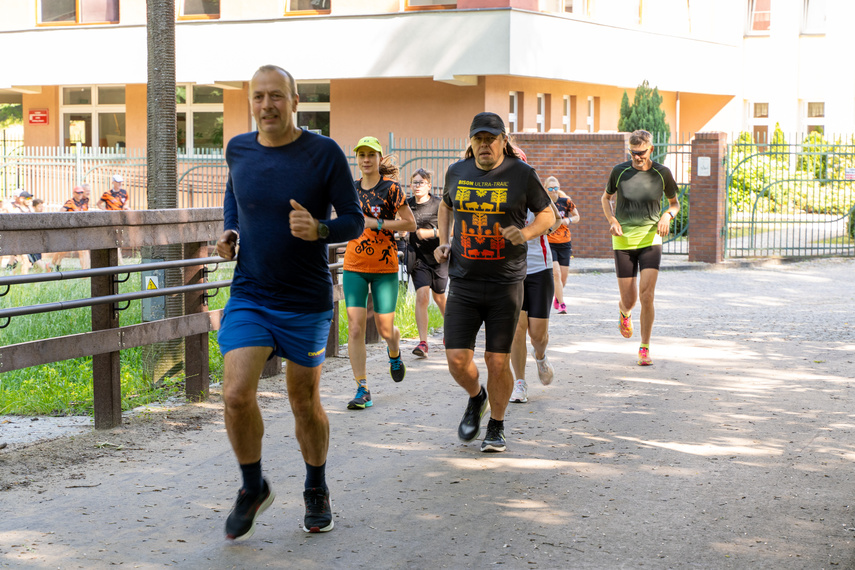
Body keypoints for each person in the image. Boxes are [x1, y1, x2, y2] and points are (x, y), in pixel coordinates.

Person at [215, 64, 363, 540]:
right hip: (251, 292)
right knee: (236, 393)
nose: (266, 105)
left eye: (276, 96)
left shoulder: (323, 154)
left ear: (295, 100)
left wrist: (320, 231)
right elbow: (234, 198)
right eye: (258, 97)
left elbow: (355, 221)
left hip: (305, 299)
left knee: (303, 401)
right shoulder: (237, 149)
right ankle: (252, 486)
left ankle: (316, 488)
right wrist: (231, 231)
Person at [435, 112, 554, 453]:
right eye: (478, 138)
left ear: (504, 139)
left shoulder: (521, 173)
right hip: (464, 281)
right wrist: (444, 240)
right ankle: (477, 396)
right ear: (471, 142)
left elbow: (549, 215)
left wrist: (527, 232)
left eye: (491, 138)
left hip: (505, 284)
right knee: (457, 359)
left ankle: (497, 426)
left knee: (497, 361)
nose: (484, 144)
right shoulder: (457, 171)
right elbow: (445, 205)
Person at [342, 136, 416, 410]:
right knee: (355, 327)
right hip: (354, 266)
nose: (366, 159)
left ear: (379, 158)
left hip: (384, 267)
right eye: (361, 154)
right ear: (357, 159)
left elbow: (410, 223)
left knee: (386, 329)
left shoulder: (392, 190)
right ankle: (362, 387)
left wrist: (378, 223)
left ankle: (394, 353)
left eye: (371, 154)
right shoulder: (350, 190)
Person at [600, 129, 679, 366]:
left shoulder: (662, 173)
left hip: (650, 239)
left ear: (650, 150)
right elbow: (605, 198)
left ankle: (644, 347)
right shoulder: (619, 171)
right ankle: (624, 312)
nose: (637, 157)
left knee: (647, 295)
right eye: (633, 153)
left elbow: (674, 204)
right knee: (630, 299)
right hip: (623, 241)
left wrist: (667, 216)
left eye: (641, 153)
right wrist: (612, 220)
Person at [509, 206, 562, 403]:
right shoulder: (503, 190)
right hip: (512, 269)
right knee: (517, 329)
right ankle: (520, 382)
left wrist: (543, 230)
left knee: (538, 335)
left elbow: (556, 218)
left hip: (540, 267)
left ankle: (540, 356)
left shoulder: (536, 190)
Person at [402, 168, 447, 358]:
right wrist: (402, 233)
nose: (417, 186)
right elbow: (400, 223)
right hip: (418, 259)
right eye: (414, 182)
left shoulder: (439, 205)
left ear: (429, 185)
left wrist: (431, 233)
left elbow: (451, 231)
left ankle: (451, 331)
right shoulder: (407, 205)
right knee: (422, 296)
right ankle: (423, 343)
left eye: (421, 182)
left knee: (439, 297)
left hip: (438, 258)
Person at [544, 176, 580, 315]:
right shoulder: (544, 203)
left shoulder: (566, 201)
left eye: (556, 188)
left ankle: (557, 297)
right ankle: (562, 304)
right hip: (549, 242)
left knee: (563, 280)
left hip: (564, 243)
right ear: (546, 188)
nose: (553, 191)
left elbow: (577, 216)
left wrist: (568, 220)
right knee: (556, 274)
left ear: (559, 187)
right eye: (550, 188)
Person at [51, 186, 91, 271]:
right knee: (64, 249)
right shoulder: (70, 202)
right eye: (78, 192)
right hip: (70, 230)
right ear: (74, 193)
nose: (80, 194)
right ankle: (53, 264)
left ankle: (85, 271)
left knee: (83, 250)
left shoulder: (85, 201)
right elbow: (61, 213)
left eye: (81, 192)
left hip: (80, 230)